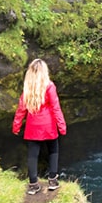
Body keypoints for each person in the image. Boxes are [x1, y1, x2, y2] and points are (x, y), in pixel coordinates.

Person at [12, 59, 67, 195]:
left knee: (33, 155)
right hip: (48, 126)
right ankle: (53, 181)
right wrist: (62, 126)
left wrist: (16, 126)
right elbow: (56, 108)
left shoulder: (27, 89)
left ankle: (33, 185)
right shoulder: (49, 86)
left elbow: (21, 110)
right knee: (53, 150)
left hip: (33, 127)